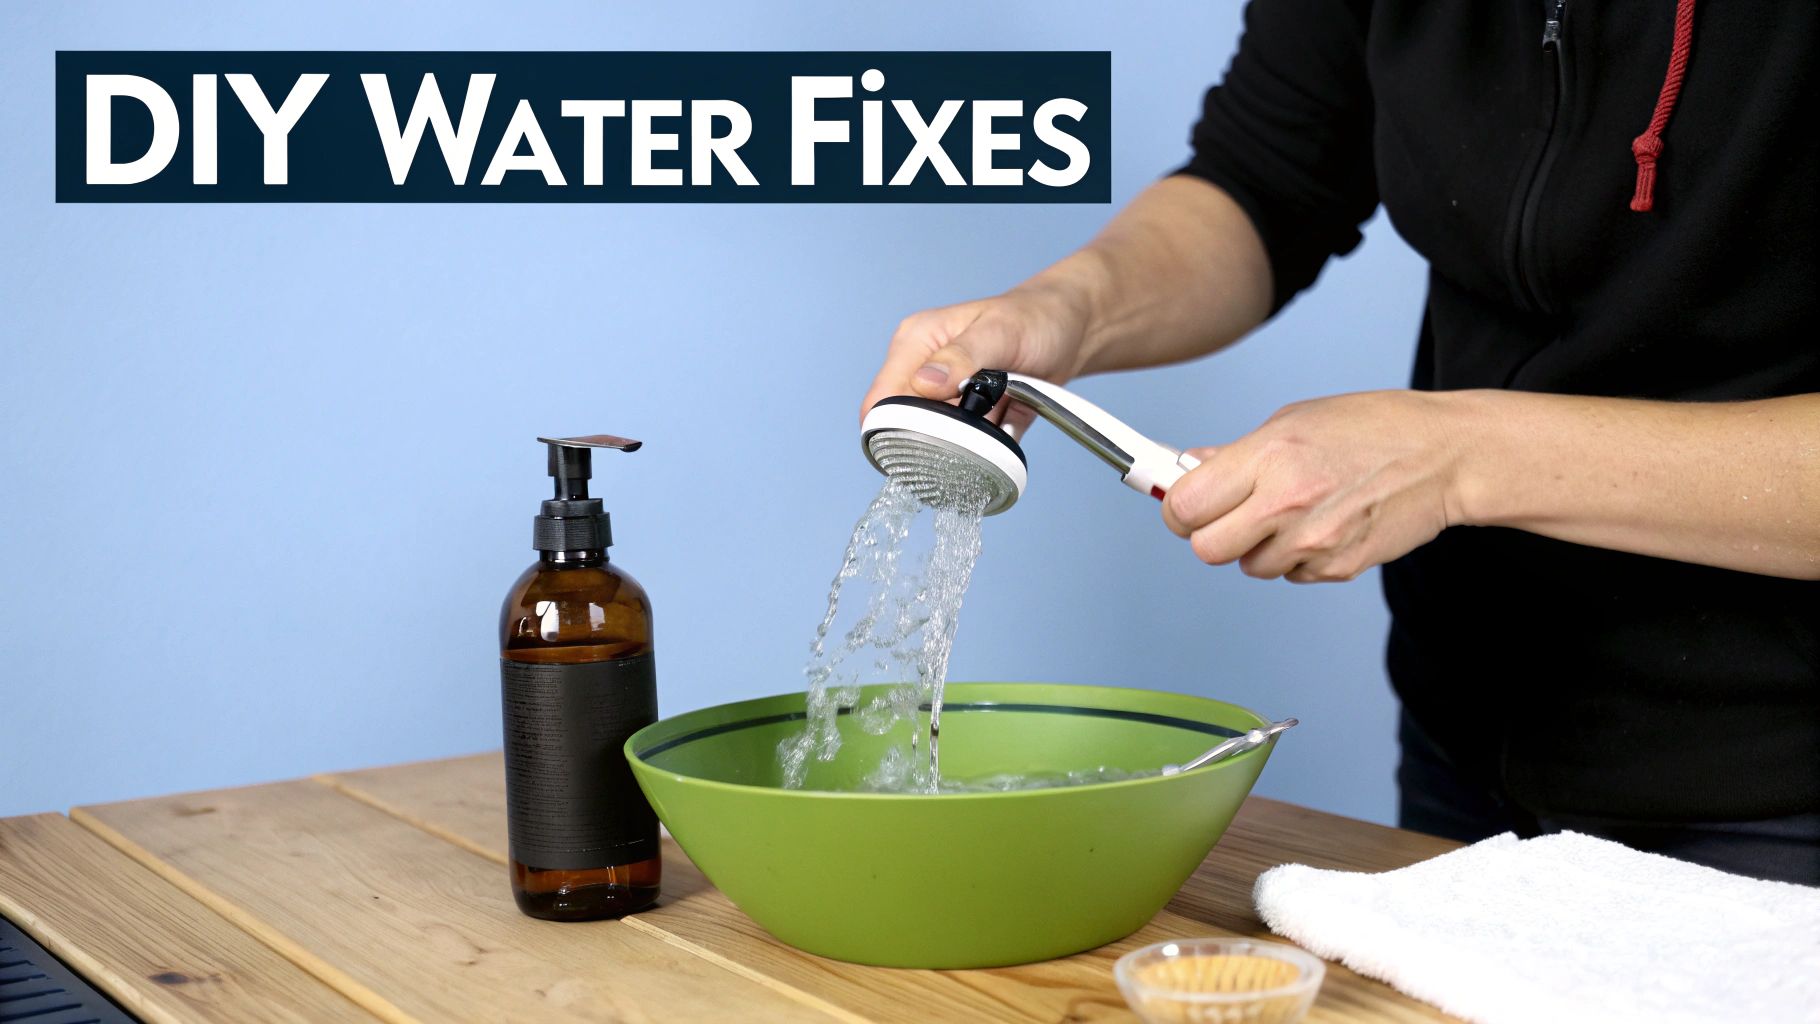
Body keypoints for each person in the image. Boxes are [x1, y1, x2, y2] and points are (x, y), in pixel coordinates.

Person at [862, 0, 1820, 885]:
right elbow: (1266, 177)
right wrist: (1071, 310)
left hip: (1780, 785)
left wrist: (1457, 461)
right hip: (1470, 739)